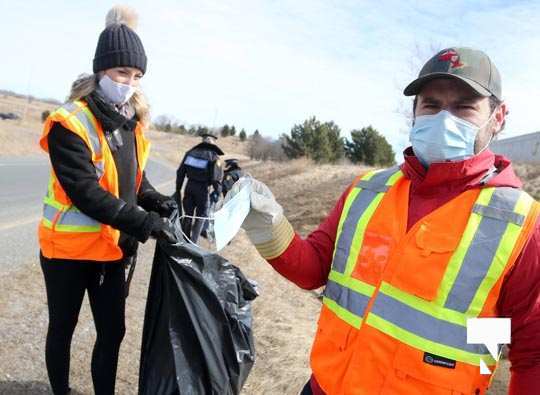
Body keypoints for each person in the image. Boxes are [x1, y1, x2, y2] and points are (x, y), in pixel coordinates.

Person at [225, 47, 540, 394]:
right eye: (431, 105)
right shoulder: (368, 190)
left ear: (498, 116)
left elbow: (532, 353)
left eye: (464, 106)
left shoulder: (522, 224)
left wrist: (490, 337)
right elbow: (313, 269)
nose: (443, 119)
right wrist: (268, 225)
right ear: (415, 112)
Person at [38, 6, 177, 395]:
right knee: (62, 327)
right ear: (102, 70)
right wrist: (144, 222)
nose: (129, 83)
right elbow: (85, 191)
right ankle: (61, 390)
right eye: (121, 73)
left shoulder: (130, 120)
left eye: (136, 76)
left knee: (113, 332)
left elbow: (134, 177)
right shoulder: (71, 121)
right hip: (66, 251)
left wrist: (155, 201)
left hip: (113, 251)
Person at [175, 130, 224, 243]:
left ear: (202, 140)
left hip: (189, 186)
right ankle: (193, 242)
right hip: (203, 189)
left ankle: (184, 239)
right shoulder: (214, 157)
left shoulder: (190, 153)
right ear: (213, 143)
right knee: (201, 216)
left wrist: (178, 189)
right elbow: (216, 178)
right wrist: (218, 191)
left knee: (188, 214)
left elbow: (180, 172)